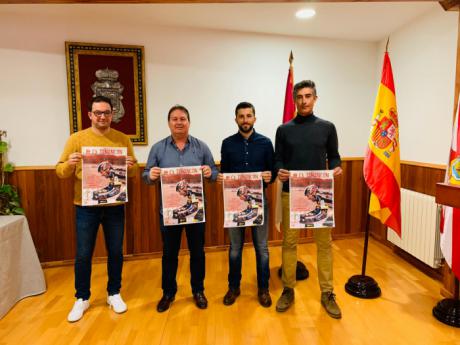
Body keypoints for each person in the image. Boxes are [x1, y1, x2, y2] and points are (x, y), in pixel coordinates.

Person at [56, 95, 138, 322]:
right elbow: (59, 171)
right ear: (90, 115)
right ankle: (82, 297)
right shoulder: (76, 139)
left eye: (107, 113)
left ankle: (114, 293)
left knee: (115, 252)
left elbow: (132, 172)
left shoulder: (122, 139)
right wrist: (69, 164)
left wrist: (131, 166)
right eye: (98, 113)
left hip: (115, 206)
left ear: (113, 115)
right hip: (85, 207)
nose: (102, 116)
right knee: (83, 254)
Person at [274, 80, 343, 318]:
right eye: (300, 96)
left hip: (320, 194)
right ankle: (287, 289)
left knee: (324, 245)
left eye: (308, 96)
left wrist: (336, 168)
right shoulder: (284, 130)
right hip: (290, 194)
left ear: (315, 98)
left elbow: (334, 157)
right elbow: (278, 160)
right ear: (294, 100)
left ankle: (327, 292)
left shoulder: (327, 127)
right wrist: (280, 170)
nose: (304, 100)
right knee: (289, 244)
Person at [143, 105, 218, 312]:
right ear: (169, 123)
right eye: (174, 119)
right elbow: (146, 175)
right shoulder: (158, 148)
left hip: (196, 212)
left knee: (198, 253)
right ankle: (168, 293)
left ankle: (198, 291)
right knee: (169, 254)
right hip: (169, 213)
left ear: (189, 122)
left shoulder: (201, 147)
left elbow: (214, 173)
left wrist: (208, 172)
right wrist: (150, 176)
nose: (178, 122)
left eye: (182, 119)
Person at [218, 101, 275, 307]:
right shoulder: (227, 143)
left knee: (262, 248)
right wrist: (222, 178)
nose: (245, 120)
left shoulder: (266, 143)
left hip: (259, 204)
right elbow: (224, 171)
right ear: (236, 119)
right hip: (235, 205)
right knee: (235, 248)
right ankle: (233, 287)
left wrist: (270, 176)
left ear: (254, 118)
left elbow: (273, 173)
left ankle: (263, 289)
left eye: (248, 116)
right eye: (241, 116)